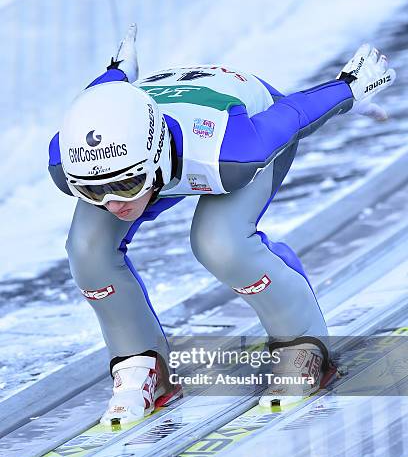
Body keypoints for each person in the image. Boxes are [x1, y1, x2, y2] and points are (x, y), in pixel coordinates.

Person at [48, 25, 395, 425]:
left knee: (220, 242)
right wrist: (117, 72)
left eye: (127, 185)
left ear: (158, 158)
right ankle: (139, 362)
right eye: (92, 191)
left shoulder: (230, 150)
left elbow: (293, 114)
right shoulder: (70, 160)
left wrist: (348, 90)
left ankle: (301, 342)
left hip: (237, 115)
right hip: (157, 113)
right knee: (86, 249)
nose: (113, 204)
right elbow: (97, 99)